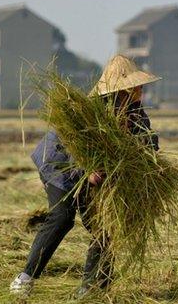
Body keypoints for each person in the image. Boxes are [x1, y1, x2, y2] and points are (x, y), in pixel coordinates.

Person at [10, 55, 161, 298]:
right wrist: (85, 171)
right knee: (62, 216)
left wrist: (151, 160)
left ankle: (92, 290)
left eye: (141, 87)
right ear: (121, 89)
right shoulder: (90, 110)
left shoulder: (136, 113)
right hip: (59, 163)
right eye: (136, 88)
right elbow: (72, 145)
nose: (140, 92)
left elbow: (149, 141)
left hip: (96, 172)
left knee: (107, 225)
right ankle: (25, 278)